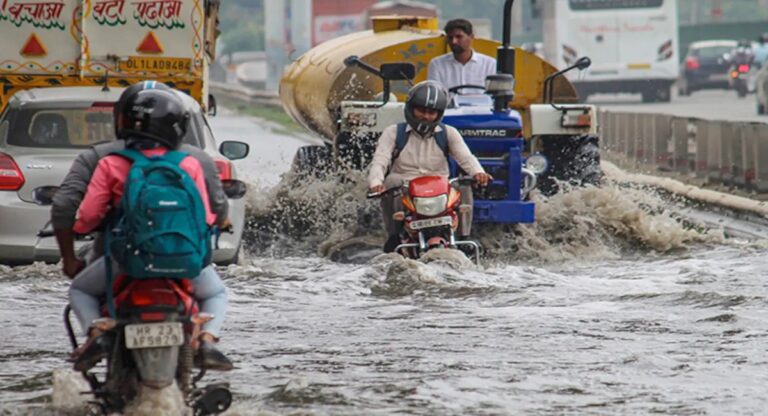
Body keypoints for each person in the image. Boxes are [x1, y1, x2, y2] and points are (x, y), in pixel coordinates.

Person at [53, 82, 233, 372]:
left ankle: (97, 335)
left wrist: (76, 240)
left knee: (80, 290)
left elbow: (85, 216)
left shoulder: (108, 161)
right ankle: (207, 341)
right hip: (185, 261)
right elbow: (207, 216)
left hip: (125, 261)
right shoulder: (192, 162)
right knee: (216, 293)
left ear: (121, 120)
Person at [367, 80, 492, 252]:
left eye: (431, 112)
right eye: (421, 110)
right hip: (405, 190)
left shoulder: (449, 133)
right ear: (411, 109)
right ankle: (394, 237)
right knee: (392, 180)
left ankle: (464, 236)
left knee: (464, 184)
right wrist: (376, 183)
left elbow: (466, 158)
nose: (426, 116)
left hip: (441, 190)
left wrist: (478, 173)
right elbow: (380, 161)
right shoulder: (393, 132)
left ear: (439, 114)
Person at [427, 19, 496, 94]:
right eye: (450, 38)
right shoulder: (437, 64)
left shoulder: (490, 64)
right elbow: (434, 94)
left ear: (471, 37)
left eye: (459, 37)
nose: (454, 41)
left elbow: (494, 96)